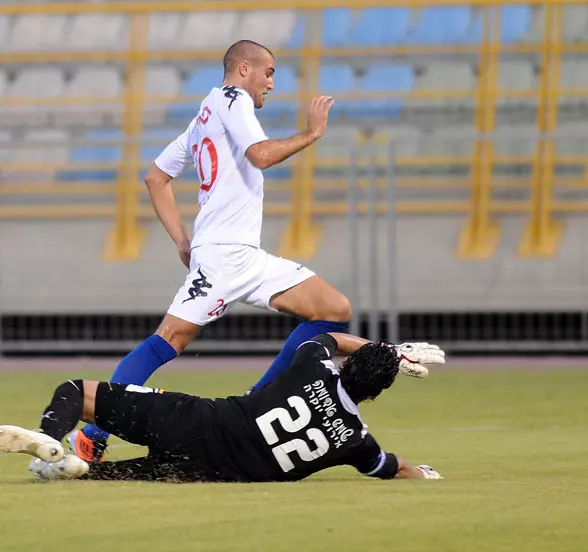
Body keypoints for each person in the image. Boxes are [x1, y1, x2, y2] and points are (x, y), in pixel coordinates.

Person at [74, 39, 354, 462]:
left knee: (333, 308)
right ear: (244, 69)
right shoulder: (233, 99)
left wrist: (183, 241)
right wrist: (311, 134)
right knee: (168, 340)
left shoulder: (205, 115)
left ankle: (259, 399)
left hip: (242, 254)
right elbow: (259, 155)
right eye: (269, 72)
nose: (271, 83)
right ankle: (93, 433)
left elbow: (155, 178)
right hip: (225, 254)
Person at [0, 334, 445, 483]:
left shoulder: (312, 366)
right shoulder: (356, 442)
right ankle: (73, 469)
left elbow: (329, 336)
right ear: (376, 395)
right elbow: (391, 467)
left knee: (78, 391)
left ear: (347, 363)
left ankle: (49, 438)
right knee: (109, 477)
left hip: (195, 419)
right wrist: (423, 473)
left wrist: (388, 350)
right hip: (203, 471)